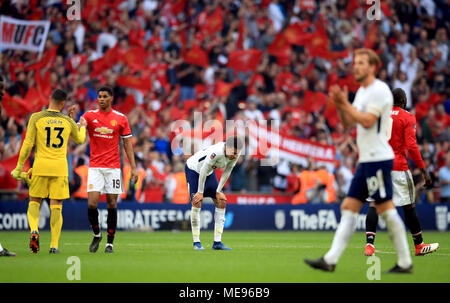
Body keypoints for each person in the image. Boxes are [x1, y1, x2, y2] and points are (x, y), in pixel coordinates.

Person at [304, 48, 413, 273]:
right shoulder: (362, 92)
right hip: (366, 160)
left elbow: (366, 121)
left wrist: (345, 105)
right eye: (355, 62)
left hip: (378, 160)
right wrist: (341, 103)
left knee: (386, 209)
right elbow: (347, 123)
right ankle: (330, 260)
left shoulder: (380, 90)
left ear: (373, 67)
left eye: (362, 63)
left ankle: (405, 262)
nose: (356, 66)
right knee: (348, 207)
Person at [364, 88, 439, 257]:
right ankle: (419, 245)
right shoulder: (407, 117)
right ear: (404, 101)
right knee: (408, 206)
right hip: (397, 166)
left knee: (374, 204)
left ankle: (369, 245)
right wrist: (424, 171)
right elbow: (412, 146)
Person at [11, 89, 87, 254]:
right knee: (56, 206)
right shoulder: (67, 121)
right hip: (60, 168)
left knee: (34, 202)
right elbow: (80, 139)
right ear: (62, 104)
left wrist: (19, 167)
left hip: (40, 166)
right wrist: (82, 126)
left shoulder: (36, 117)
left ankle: (34, 231)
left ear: (50, 99)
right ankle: (54, 245)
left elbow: (28, 144)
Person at [82, 86, 137, 253]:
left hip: (113, 168)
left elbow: (127, 144)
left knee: (112, 203)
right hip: (95, 168)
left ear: (111, 98)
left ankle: (110, 243)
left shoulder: (120, 118)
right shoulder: (89, 116)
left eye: (105, 96)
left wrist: (133, 167)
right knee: (92, 204)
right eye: (99, 96)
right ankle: (97, 234)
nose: (101, 99)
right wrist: (73, 123)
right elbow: (78, 133)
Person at [185, 136, 243, 250]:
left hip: (209, 173)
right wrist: (200, 192)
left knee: (221, 201)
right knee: (197, 201)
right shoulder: (216, 152)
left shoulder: (235, 153)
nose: (236, 156)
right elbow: (203, 170)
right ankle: (196, 242)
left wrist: (218, 191)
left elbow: (227, 171)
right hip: (194, 170)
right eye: (234, 153)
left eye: (237, 153)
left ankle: (217, 242)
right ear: (227, 147)